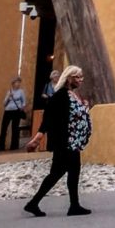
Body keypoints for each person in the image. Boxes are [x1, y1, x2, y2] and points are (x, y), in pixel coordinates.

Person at [25, 64, 93, 217]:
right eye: (78, 77)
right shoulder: (60, 95)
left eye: (81, 77)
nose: (81, 80)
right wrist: (38, 138)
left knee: (67, 172)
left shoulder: (72, 94)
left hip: (72, 142)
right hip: (65, 142)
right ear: (69, 78)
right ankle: (38, 203)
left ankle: (70, 205)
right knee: (60, 173)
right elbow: (48, 118)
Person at [0, 75, 27, 152]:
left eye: (19, 82)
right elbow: (4, 103)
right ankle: (1, 146)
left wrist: (22, 107)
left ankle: (14, 146)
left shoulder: (21, 92)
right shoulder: (9, 92)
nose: (18, 84)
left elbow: (24, 102)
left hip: (16, 111)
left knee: (15, 128)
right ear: (13, 83)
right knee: (4, 128)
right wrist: (8, 97)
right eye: (17, 82)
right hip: (8, 111)